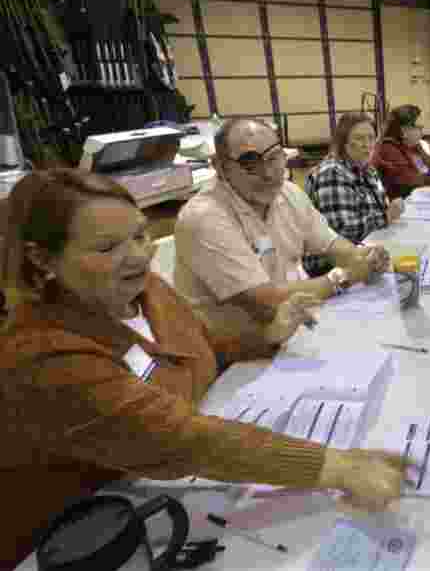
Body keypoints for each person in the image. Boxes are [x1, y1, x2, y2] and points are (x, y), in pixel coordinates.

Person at [0, 170, 409, 570]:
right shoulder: (41, 353)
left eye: (140, 235)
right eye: (107, 248)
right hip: (85, 539)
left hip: (171, 488)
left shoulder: (147, 292)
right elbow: (176, 439)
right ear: (43, 259)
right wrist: (337, 467)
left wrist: (268, 334)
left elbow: (200, 347)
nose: (140, 256)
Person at [175, 118, 389, 340]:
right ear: (220, 166)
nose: (268, 173)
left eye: (274, 158)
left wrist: (363, 257)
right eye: (250, 163)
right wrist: (345, 276)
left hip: (295, 324)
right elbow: (266, 299)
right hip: (239, 351)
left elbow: (331, 243)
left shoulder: (287, 193)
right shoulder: (205, 217)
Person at [303, 113, 404, 278]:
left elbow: (380, 209)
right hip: (330, 268)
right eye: (359, 138)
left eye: (371, 138)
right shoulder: (332, 172)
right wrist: (385, 217)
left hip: (364, 250)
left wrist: (389, 212)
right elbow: (341, 231)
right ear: (343, 142)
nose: (367, 145)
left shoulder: (368, 170)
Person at [371, 105, 430, 199]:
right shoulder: (388, 149)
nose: (422, 133)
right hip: (406, 202)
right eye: (419, 128)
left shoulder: (413, 145)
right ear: (404, 130)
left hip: (423, 194)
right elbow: (408, 181)